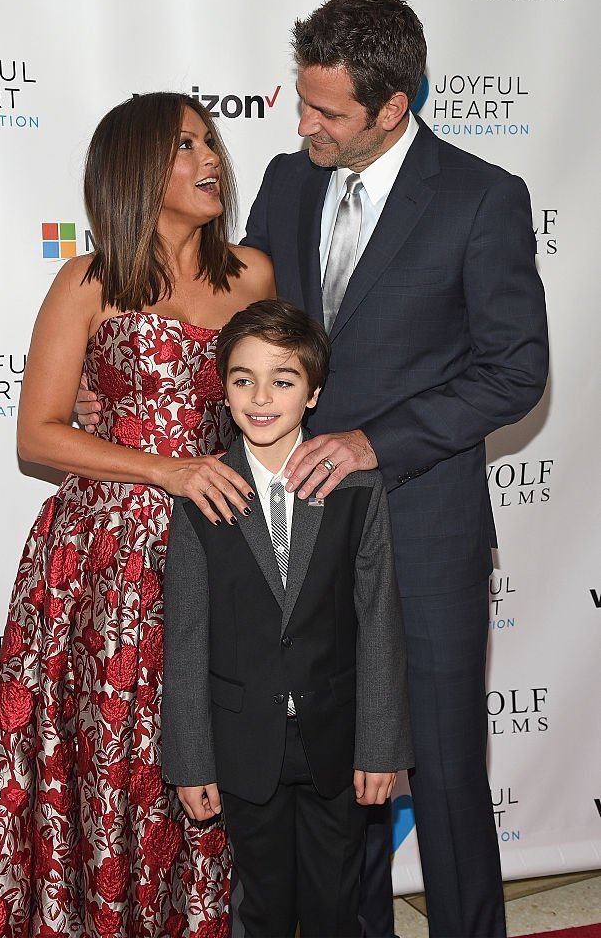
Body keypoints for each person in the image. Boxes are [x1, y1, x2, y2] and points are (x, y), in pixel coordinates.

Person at [74, 0, 548, 936]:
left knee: (445, 774)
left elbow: (516, 371)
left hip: (420, 526)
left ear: (392, 106)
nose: (301, 126)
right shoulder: (291, 182)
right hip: (298, 542)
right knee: (338, 780)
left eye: (327, 111)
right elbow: (242, 333)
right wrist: (117, 393)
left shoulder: (481, 198)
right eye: (301, 101)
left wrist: (377, 441)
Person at [0, 92, 274, 937]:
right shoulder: (87, 280)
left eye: (211, 141)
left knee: (202, 745)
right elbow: (39, 435)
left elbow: (271, 402)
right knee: (109, 742)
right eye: (186, 147)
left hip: (218, 542)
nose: (211, 159)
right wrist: (166, 469)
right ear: (137, 169)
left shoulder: (252, 273)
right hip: (101, 557)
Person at [161, 299, 413, 938]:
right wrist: (192, 759)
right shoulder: (201, 495)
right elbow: (186, 638)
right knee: (264, 910)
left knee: (335, 909)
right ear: (223, 391)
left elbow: (378, 622)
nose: (261, 397)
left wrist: (381, 746)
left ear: (314, 391)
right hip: (245, 748)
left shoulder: (355, 489)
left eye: (283, 379)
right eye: (243, 379)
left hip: (337, 744)